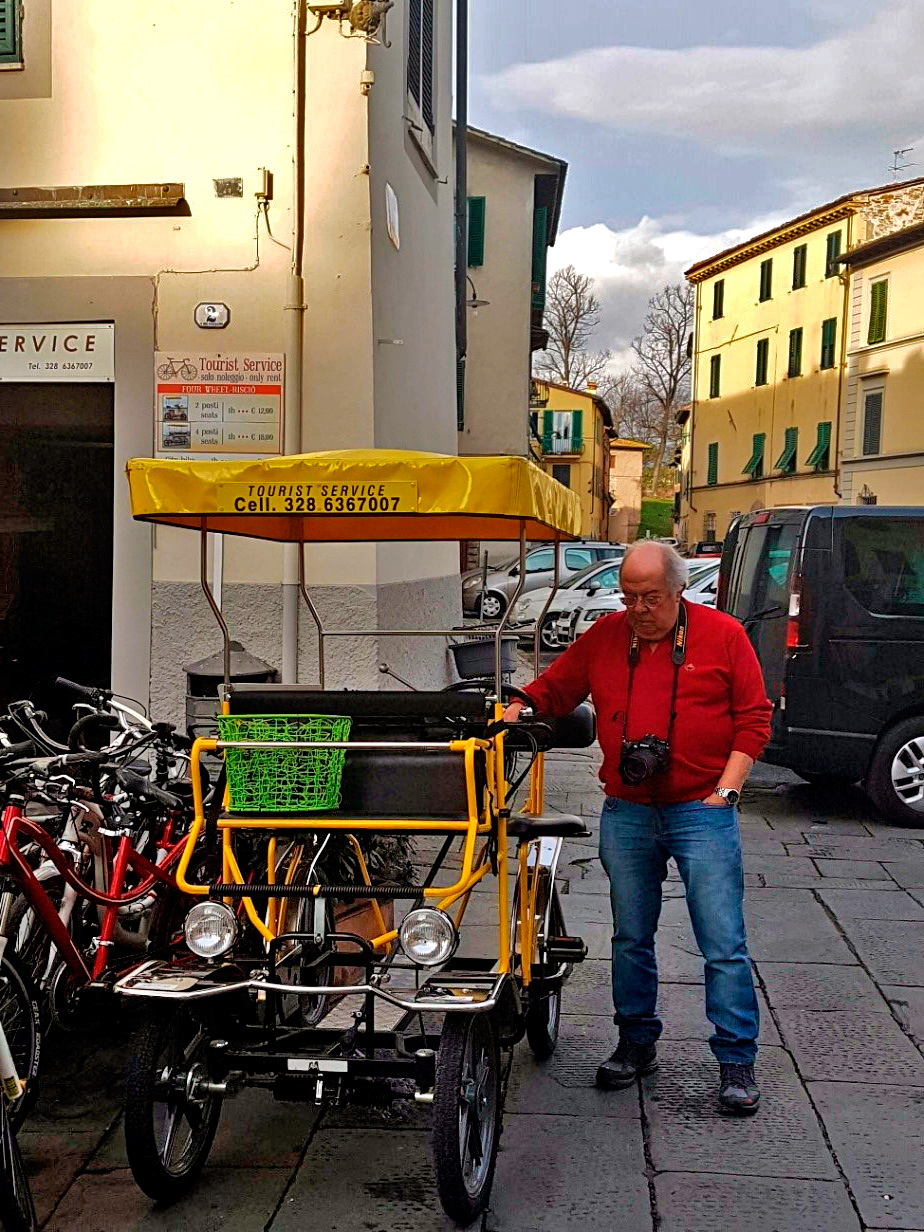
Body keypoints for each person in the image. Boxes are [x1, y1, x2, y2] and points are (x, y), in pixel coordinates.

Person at [505, 541, 772, 1114]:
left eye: (651, 597)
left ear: (679, 590)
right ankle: (635, 1042)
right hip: (628, 809)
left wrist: (727, 789)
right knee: (630, 936)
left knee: (722, 942)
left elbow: (755, 718)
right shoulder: (606, 635)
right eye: (629, 597)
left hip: (703, 808)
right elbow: (555, 688)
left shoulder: (723, 635)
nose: (639, 608)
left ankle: (735, 1061)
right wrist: (520, 705)